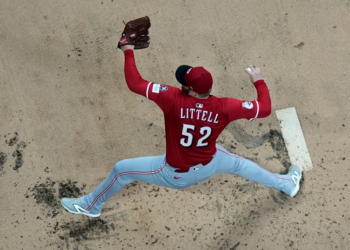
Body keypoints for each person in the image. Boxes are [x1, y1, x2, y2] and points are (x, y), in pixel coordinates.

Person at [60, 44, 302, 218]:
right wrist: (258, 80)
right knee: (239, 164)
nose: (181, 84)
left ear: (193, 91)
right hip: (211, 162)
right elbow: (265, 108)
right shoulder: (225, 106)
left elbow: (135, 83)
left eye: (185, 83)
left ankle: (91, 205)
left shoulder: (173, 98)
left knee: (121, 170)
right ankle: (287, 184)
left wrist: (127, 49)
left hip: (176, 174)